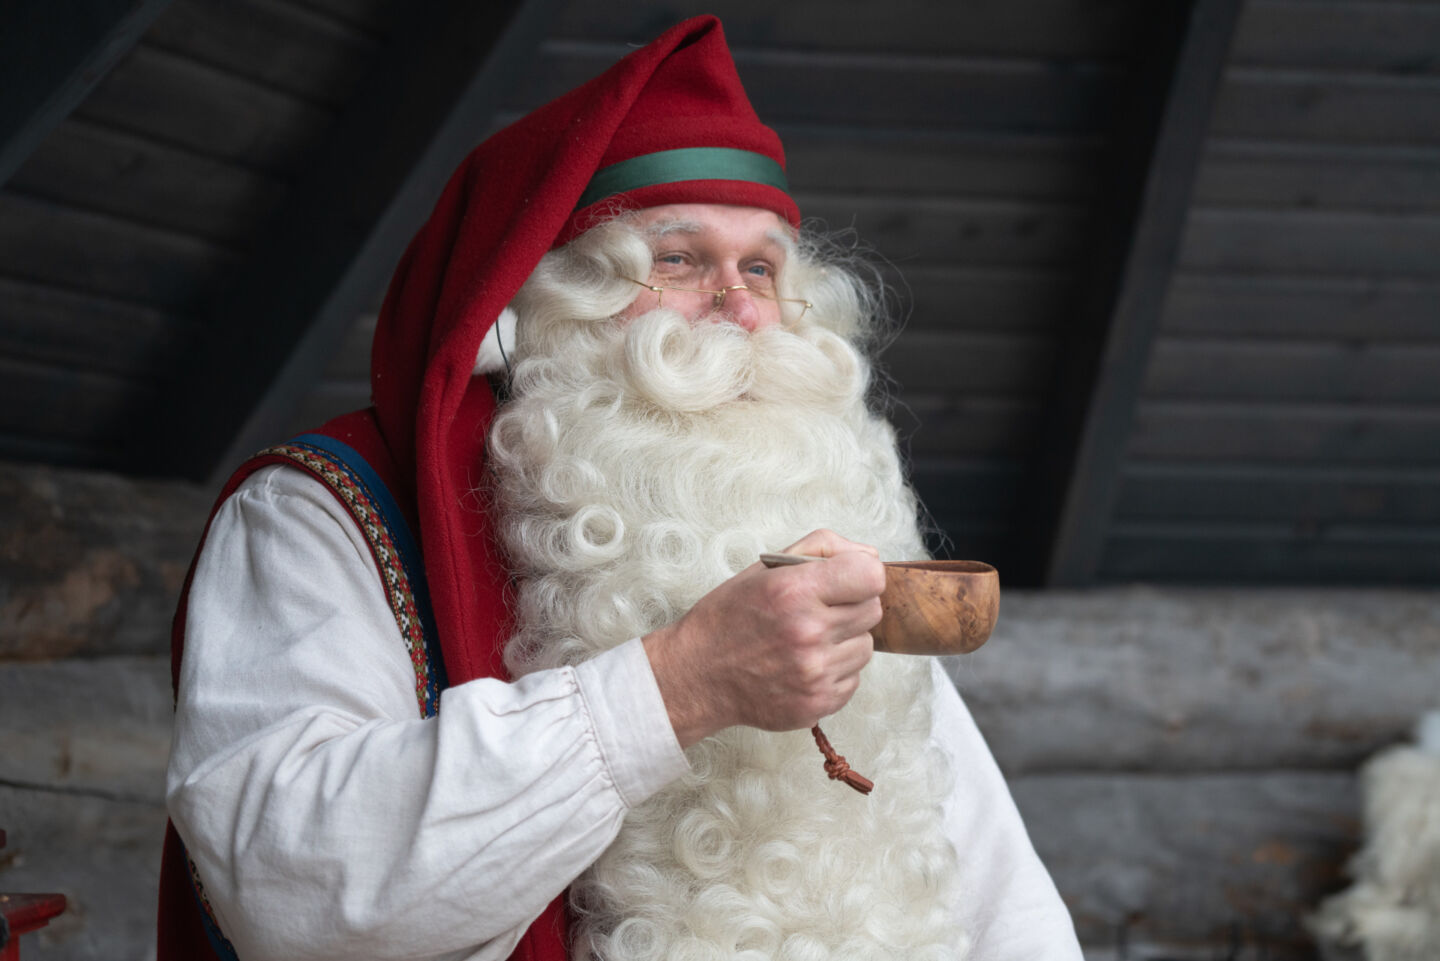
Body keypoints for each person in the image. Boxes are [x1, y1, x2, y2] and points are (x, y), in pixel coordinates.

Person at [158, 16, 1082, 961]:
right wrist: (681, 682)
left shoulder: (820, 514)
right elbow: (288, 884)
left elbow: (1002, 896)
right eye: (678, 259)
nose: (740, 304)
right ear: (556, 299)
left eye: (760, 265)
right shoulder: (322, 514)